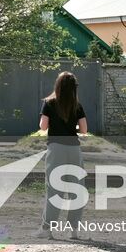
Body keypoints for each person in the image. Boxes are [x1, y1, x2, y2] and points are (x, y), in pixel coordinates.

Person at [38, 71, 87, 238]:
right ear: (74, 88)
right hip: (74, 149)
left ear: (57, 86)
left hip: (56, 148)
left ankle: (47, 230)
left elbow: (43, 127)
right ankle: (74, 230)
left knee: (54, 189)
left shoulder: (49, 103)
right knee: (76, 189)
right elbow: (84, 129)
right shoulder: (77, 106)